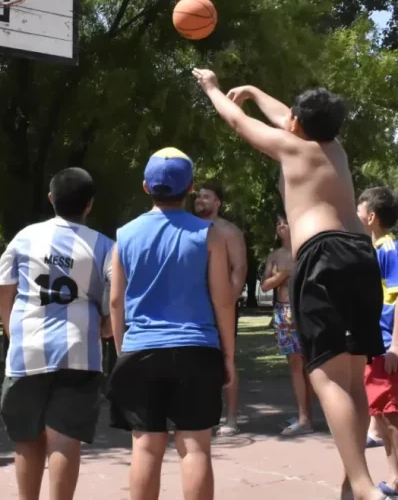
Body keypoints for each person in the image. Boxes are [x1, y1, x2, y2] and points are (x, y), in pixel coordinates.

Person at [192, 71, 390, 500]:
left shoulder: (290, 146)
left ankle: (364, 486)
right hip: (360, 254)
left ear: (298, 124)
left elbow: (238, 124)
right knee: (354, 379)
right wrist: (258, 89)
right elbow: (288, 117)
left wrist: (211, 88)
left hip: (322, 257)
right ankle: (352, 481)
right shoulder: (335, 149)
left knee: (327, 377)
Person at [107, 148, 235, 500]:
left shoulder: (125, 235)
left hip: (141, 348)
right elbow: (223, 299)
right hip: (197, 348)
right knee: (195, 448)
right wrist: (229, 356)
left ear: (146, 186)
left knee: (146, 448)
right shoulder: (209, 235)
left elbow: (116, 301)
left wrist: (123, 351)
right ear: (191, 186)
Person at [0, 167, 114, 500]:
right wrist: (106, 327)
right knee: (65, 437)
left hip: (27, 350)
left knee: (27, 437)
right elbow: (116, 296)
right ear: (89, 205)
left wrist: (11, 330)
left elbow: (4, 288)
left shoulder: (25, 237)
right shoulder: (104, 245)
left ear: (51, 199)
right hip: (80, 351)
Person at [354, 187, 398, 500]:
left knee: (391, 414)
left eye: (359, 207)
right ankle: (395, 481)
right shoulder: (373, 248)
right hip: (374, 343)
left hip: (387, 346)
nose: (354, 211)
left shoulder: (389, 249)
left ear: (370, 216)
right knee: (380, 414)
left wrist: (396, 345)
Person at [193, 182, 247, 436]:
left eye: (206, 196)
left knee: (227, 358)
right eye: (198, 195)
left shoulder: (228, 231)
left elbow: (239, 269)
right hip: (194, 306)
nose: (200, 199)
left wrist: (229, 301)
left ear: (218, 203)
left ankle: (232, 417)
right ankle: (204, 416)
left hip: (221, 305)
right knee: (197, 361)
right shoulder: (188, 227)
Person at [259, 214, 312, 436]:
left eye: (285, 223)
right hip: (283, 312)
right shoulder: (276, 256)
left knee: (310, 364)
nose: (281, 226)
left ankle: (306, 416)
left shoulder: (306, 252)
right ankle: (303, 416)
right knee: (295, 364)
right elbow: (265, 286)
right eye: (278, 223)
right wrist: (284, 274)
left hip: (304, 311)